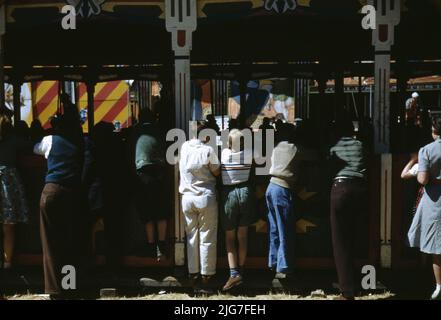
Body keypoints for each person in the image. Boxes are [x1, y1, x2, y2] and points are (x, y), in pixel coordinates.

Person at [34, 109, 84, 299]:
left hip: (52, 192)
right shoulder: (80, 142)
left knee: (50, 242)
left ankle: (55, 290)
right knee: (69, 241)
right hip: (72, 193)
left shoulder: (50, 140)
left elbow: (35, 148)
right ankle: (69, 285)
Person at [329, 116, 367, 300]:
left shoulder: (334, 146)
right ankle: (357, 282)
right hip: (359, 188)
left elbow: (328, 167)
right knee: (355, 237)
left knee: (340, 242)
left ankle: (347, 291)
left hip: (340, 189)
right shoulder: (359, 144)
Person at [179, 122, 220, 292]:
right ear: (207, 135)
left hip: (187, 198)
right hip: (205, 197)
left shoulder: (184, 147)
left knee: (191, 237)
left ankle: (193, 273)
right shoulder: (209, 150)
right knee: (207, 237)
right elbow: (217, 171)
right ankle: (206, 275)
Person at [408, 117, 441, 300]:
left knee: (437, 245)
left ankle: (439, 285)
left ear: (433, 131)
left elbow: (422, 180)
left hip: (435, 200)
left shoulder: (426, 150)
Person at [220, 129, 256, 291]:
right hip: (246, 192)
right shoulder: (249, 153)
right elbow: (262, 160)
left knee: (229, 237)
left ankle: (234, 274)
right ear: (242, 142)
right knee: (243, 235)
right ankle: (241, 271)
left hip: (229, 194)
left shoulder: (224, 154)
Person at [266, 123, 300, 279]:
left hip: (271, 186)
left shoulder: (275, 147)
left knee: (274, 228)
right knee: (284, 229)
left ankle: (273, 262)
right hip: (283, 188)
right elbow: (315, 156)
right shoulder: (294, 148)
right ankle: (284, 266)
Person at [133, 108, 168, 260]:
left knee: (147, 214)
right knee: (161, 211)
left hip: (142, 175)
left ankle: (150, 246)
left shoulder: (135, 131)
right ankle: (162, 246)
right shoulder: (160, 130)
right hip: (160, 172)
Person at [0, 114, 29, 270]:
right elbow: (31, 145)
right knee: (8, 226)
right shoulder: (13, 141)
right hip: (8, 183)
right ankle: (7, 263)